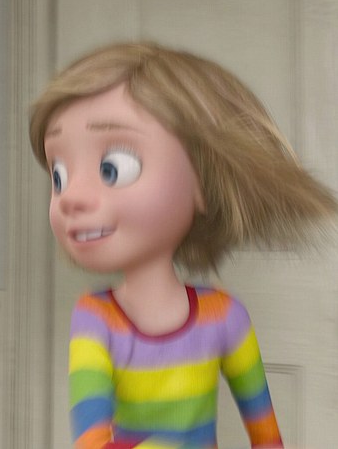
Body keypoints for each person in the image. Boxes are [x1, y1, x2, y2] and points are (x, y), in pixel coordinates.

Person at [28, 42, 338, 448]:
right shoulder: (95, 318)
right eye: (59, 176)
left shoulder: (225, 316)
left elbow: (267, 436)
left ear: (202, 185)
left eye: (113, 168)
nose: (69, 198)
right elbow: (91, 440)